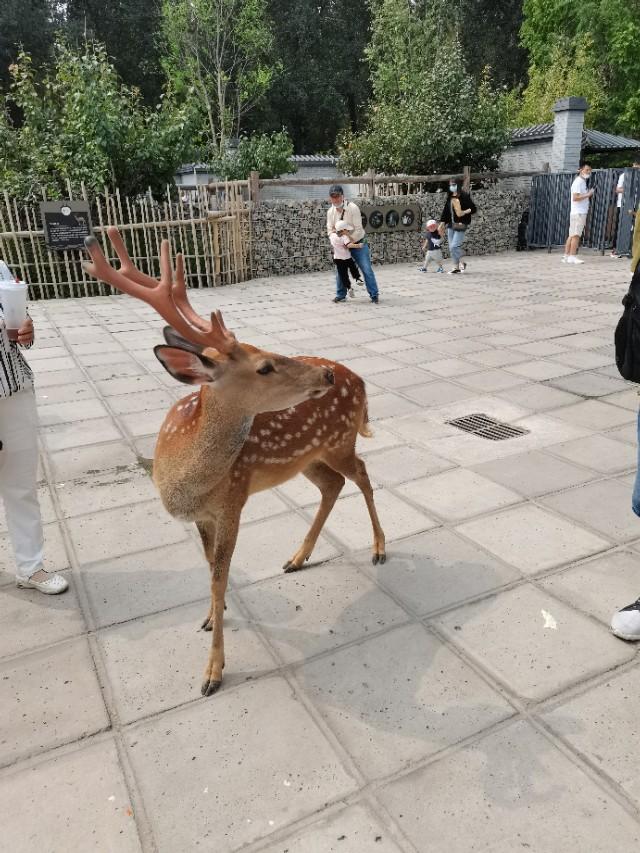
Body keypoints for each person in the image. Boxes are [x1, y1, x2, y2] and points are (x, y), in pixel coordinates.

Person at [0, 278, 68, 595]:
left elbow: (18, 327)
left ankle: (30, 567)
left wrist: (27, 330)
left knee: (21, 485)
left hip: (15, 390)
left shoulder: (0, 270)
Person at [326, 185, 380, 304]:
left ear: (343, 196)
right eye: (333, 197)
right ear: (330, 198)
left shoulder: (353, 208)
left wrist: (349, 242)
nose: (335, 199)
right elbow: (330, 230)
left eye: (337, 196)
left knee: (366, 268)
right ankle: (341, 294)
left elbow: (359, 229)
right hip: (341, 244)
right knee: (340, 270)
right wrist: (335, 240)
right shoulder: (330, 212)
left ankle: (374, 294)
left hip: (358, 241)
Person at [439, 177, 476, 274]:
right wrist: (442, 223)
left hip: (461, 224)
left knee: (454, 246)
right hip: (451, 224)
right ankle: (456, 267)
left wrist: (464, 212)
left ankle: (462, 261)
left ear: (458, 185)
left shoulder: (464, 196)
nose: (452, 187)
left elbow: (473, 208)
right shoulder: (450, 197)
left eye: (454, 185)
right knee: (451, 246)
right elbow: (446, 211)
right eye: (450, 185)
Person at [563, 163, 594, 265]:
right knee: (576, 235)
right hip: (579, 213)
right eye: (586, 170)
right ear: (580, 170)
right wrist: (588, 194)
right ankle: (572, 256)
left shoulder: (581, 182)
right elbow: (575, 198)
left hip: (577, 212)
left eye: (590, 170)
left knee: (572, 235)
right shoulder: (579, 182)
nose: (588, 172)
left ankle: (566, 256)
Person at [611, 160, 640, 258]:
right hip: (623, 205)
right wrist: (629, 188)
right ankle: (616, 249)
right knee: (620, 227)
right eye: (637, 166)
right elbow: (618, 189)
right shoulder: (624, 175)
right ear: (634, 165)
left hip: (635, 206)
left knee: (634, 227)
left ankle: (629, 249)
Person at [329, 221, 364, 302]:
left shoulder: (332, 236)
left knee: (343, 275)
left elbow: (332, 232)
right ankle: (357, 278)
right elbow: (349, 245)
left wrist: (337, 230)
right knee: (353, 268)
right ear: (343, 230)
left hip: (338, 259)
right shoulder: (344, 237)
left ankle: (349, 288)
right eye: (347, 230)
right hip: (347, 257)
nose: (348, 231)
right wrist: (358, 245)